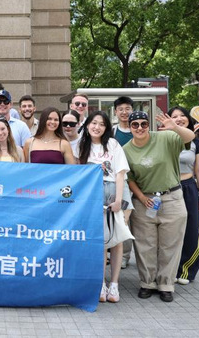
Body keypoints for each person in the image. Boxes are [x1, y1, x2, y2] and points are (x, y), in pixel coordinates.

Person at [123, 111, 194, 303]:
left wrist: (175, 127)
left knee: (170, 245)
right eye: (135, 124)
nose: (139, 128)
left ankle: (166, 284)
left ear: (149, 125)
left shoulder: (166, 138)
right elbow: (129, 178)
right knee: (145, 245)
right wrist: (140, 197)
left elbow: (190, 137)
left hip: (171, 198)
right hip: (144, 201)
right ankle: (147, 282)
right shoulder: (126, 150)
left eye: (144, 124)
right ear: (129, 127)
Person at [77, 111, 130, 303]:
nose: (96, 127)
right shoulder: (81, 145)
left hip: (112, 191)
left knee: (116, 239)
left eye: (101, 124)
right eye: (93, 123)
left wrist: (118, 199)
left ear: (106, 127)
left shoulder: (113, 144)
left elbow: (120, 173)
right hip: (91, 195)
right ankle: (100, 282)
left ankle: (114, 284)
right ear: (87, 125)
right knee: (98, 240)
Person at [168, 106, 199, 285]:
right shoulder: (164, 138)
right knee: (169, 230)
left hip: (188, 188)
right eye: (174, 116)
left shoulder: (195, 142)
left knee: (193, 229)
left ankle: (185, 270)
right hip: (168, 188)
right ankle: (169, 268)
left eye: (182, 115)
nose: (179, 118)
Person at [112, 96, 134, 269]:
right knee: (121, 218)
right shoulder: (112, 132)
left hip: (139, 180)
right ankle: (122, 255)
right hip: (120, 181)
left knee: (134, 220)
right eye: (121, 109)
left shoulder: (138, 129)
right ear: (116, 112)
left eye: (127, 109)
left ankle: (127, 253)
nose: (124, 112)